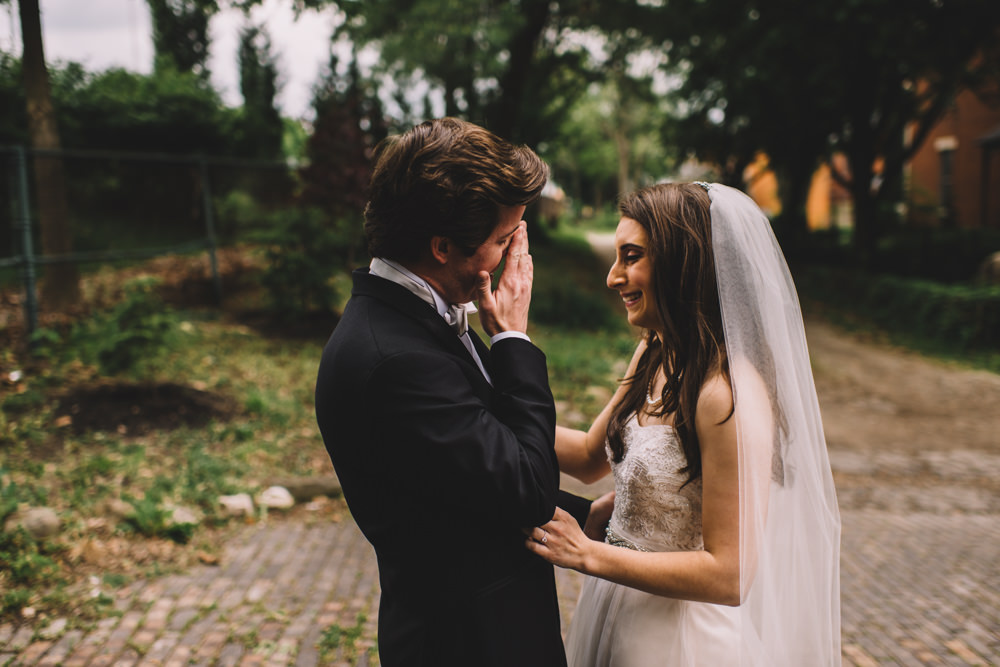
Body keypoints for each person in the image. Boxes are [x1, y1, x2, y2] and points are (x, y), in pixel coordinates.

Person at [315, 117, 593, 667]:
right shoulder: (396, 358)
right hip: (468, 643)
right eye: (503, 240)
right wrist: (513, 338)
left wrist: (587, 519)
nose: (516, 257)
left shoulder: (418, 321)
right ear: (443, 246)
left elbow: (461, 476)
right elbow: (527, 486)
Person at [526, 182, 842, 666]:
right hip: (615, 608)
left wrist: (589, 555)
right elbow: (591, 457)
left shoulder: (725, 394)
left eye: (631, 257)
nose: (614, 277)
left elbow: (730, 575)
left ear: (682, 263)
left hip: (679, 640)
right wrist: (490, 407)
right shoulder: (655, 352)